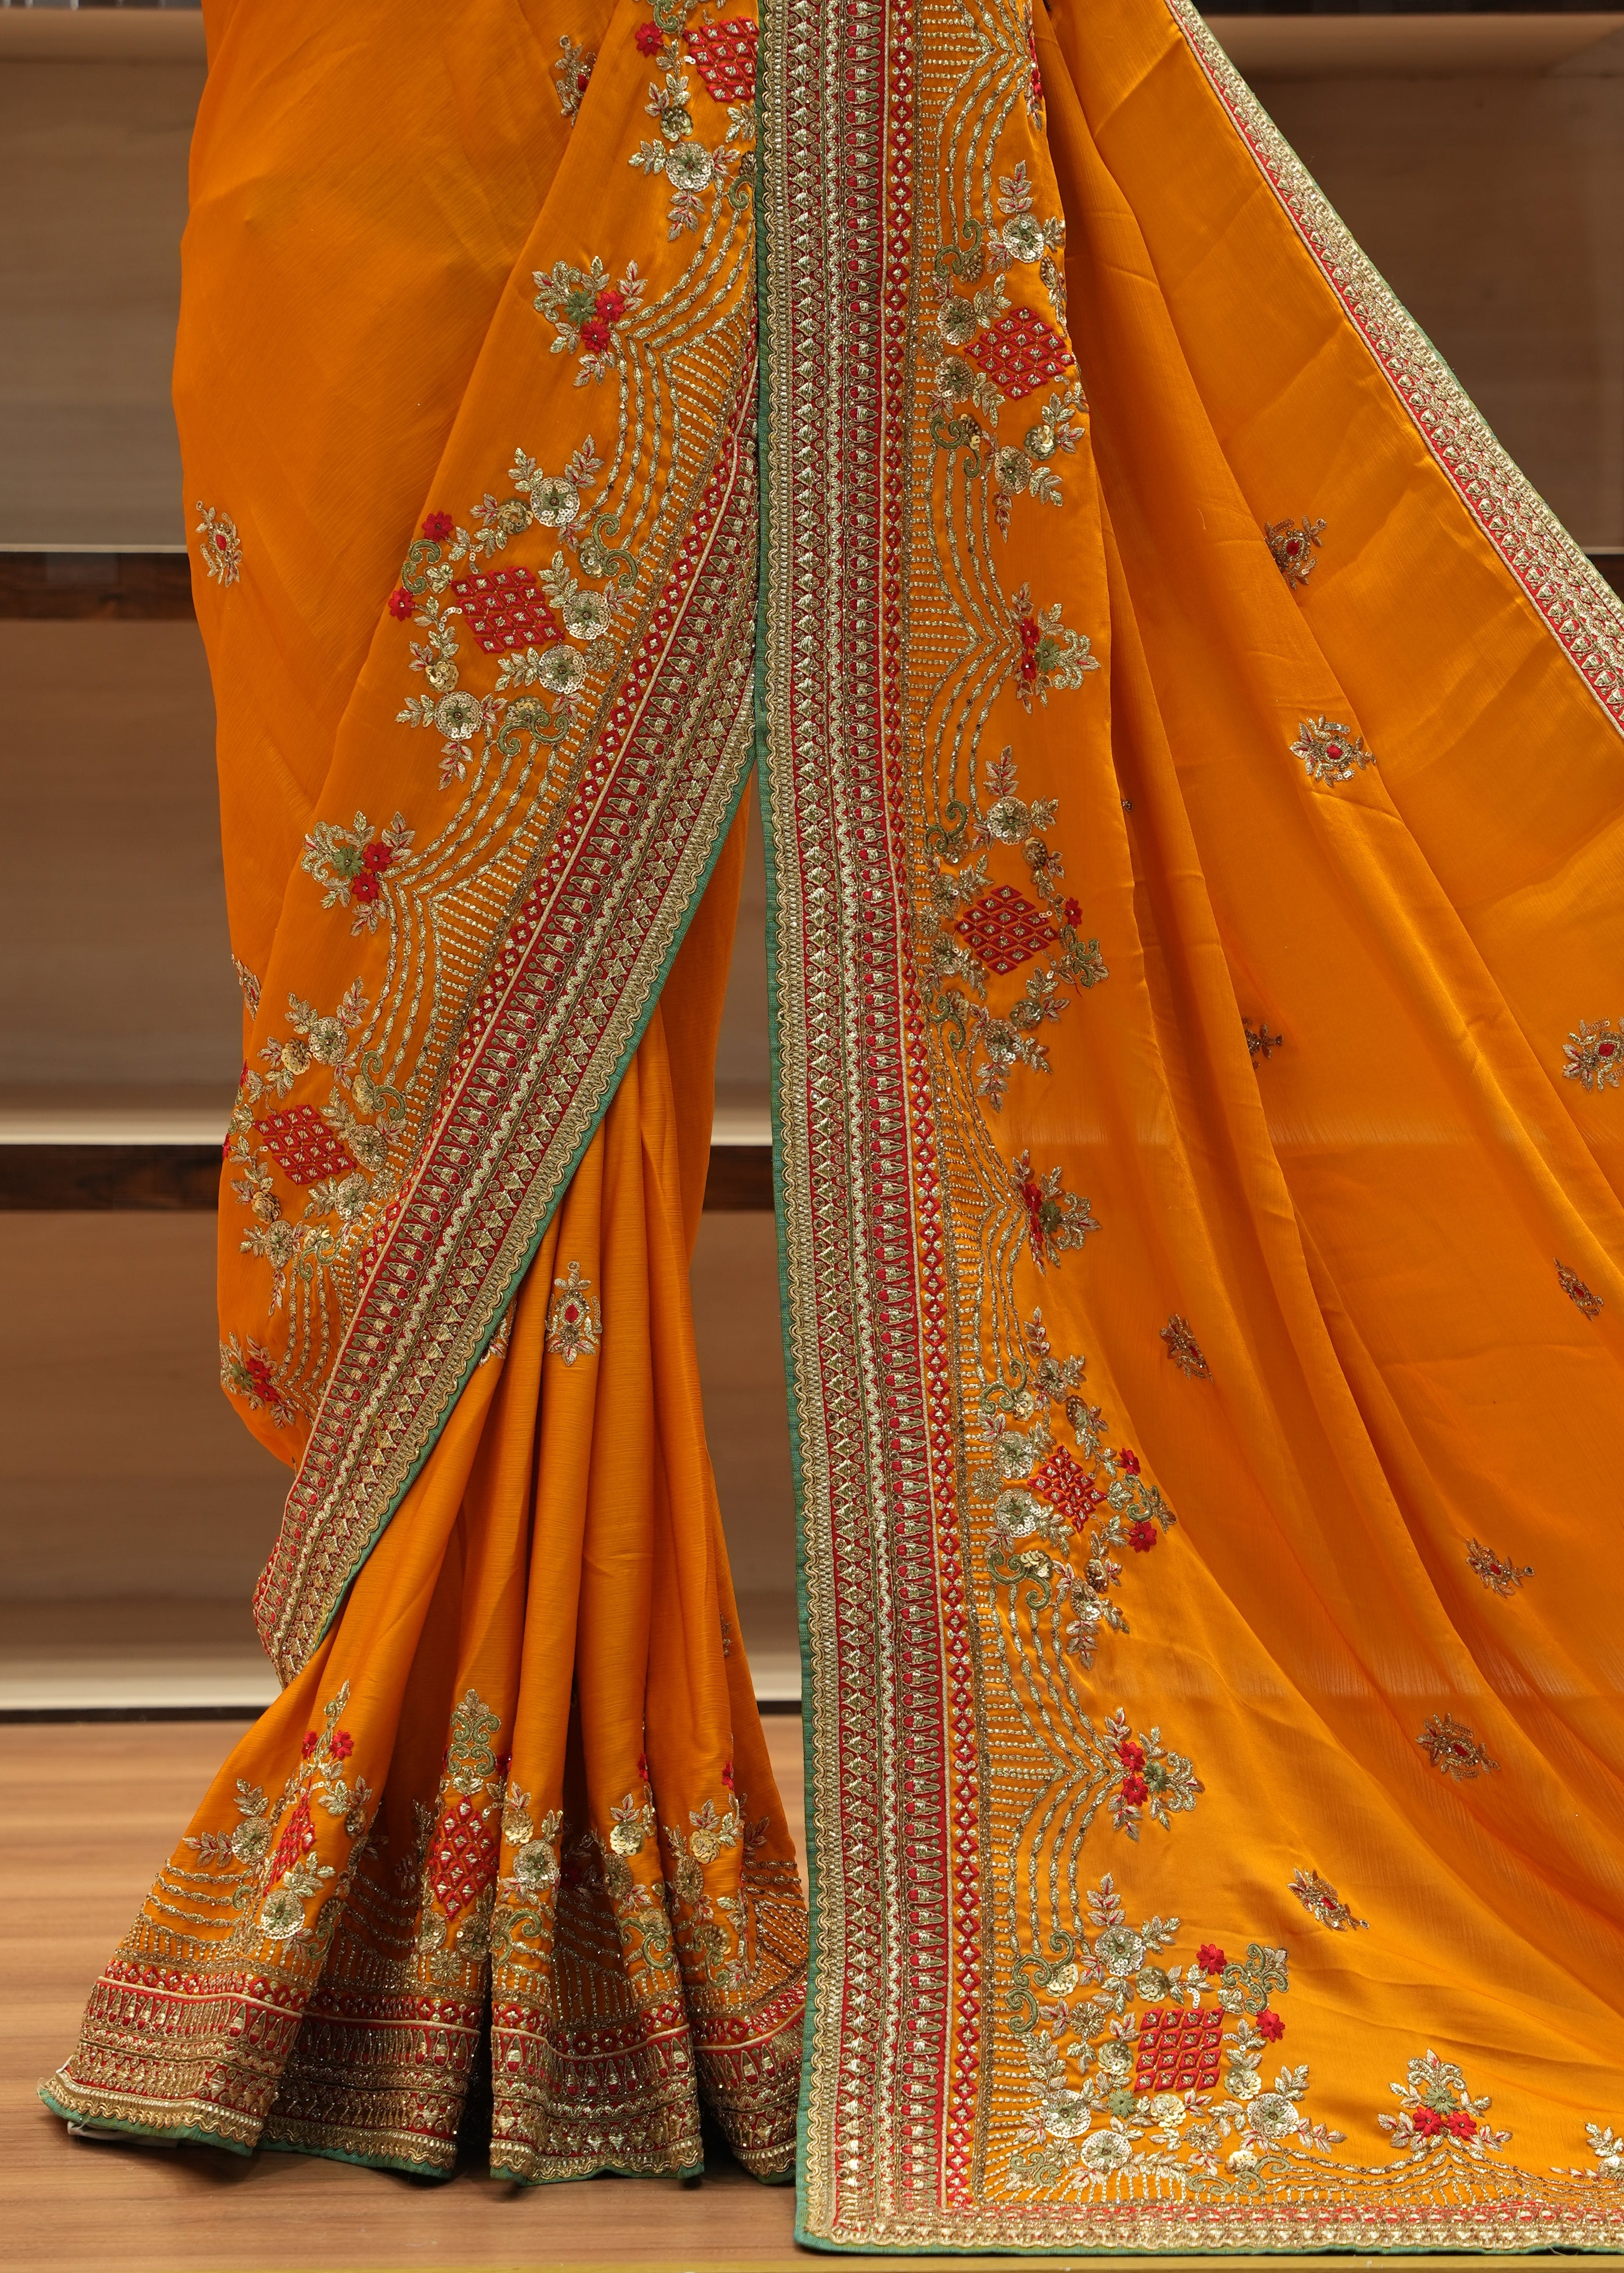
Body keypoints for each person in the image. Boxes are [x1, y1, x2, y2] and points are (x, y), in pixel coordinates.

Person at [44, 0, 1624, 2245]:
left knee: (533, 914)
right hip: (348, 85)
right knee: (373, 881)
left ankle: (526, 1841)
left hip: (685, 54)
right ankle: (450, 1811)